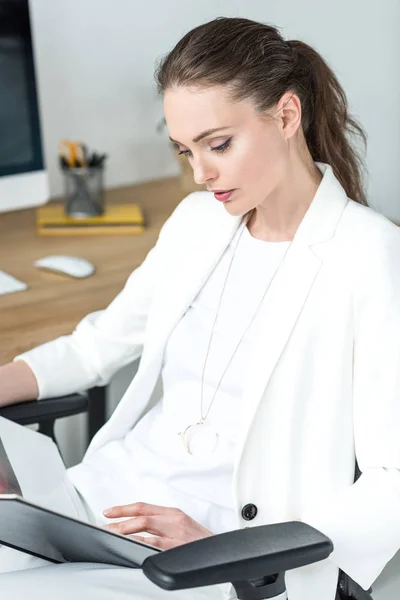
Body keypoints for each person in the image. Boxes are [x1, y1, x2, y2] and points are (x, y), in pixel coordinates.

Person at [0, 15, 399, 600]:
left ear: (287, 116)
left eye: (218, 145)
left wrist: (230, 551)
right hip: (102, 508)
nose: (200, 173)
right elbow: (97, 345)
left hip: (221, 548)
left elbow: (394, 478)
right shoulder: (197, 222)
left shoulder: (370, 254)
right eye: (185, 150)